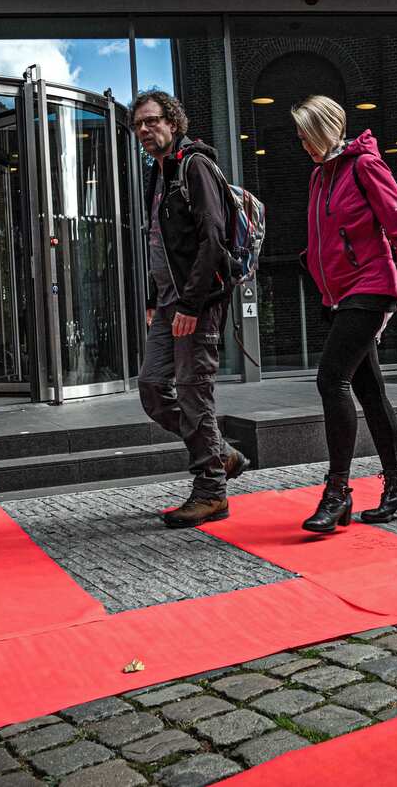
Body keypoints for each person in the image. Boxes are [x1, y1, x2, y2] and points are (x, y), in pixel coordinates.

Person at [292, 95, 397, 533]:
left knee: (331, 380)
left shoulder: (363, 165)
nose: (301, 143)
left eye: (306, 133)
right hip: (340, 295)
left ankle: (337, 493)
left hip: (372, 287)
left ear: (326, 128)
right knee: (368, 391)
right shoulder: (318, 176)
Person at [133, 91, 249, 529]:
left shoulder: (193, 165)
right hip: (166, 303)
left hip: (195, 303)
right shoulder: (156, 175)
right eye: (138, 125)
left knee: (193, 391)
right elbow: (157, 241)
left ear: (173, 121)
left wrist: (191, 302)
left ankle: (211, 492)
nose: (145, 130)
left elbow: (213, 239)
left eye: (152, 121)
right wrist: (153, 297)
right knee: (151, 387)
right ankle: (219, 452)